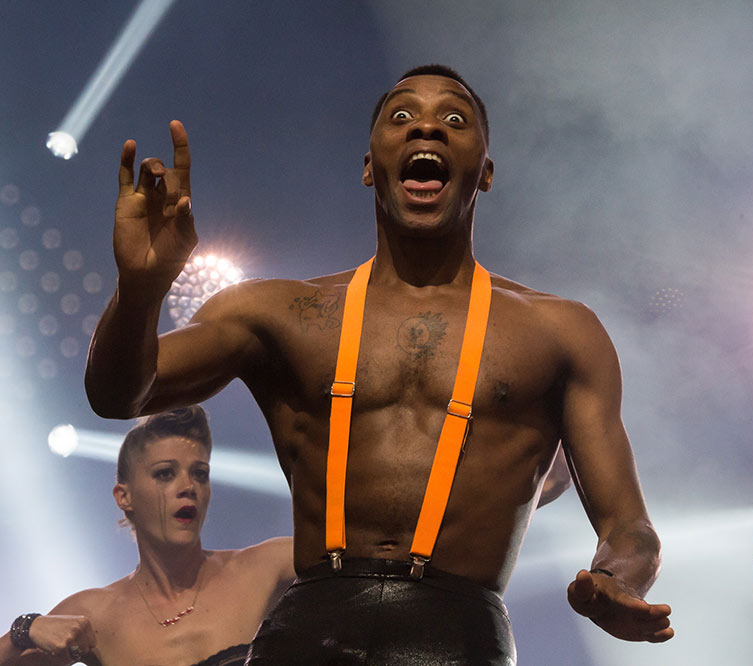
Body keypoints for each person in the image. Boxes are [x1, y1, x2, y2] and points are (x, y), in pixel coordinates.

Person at [84, 64, 671, 663]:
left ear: (486, 173)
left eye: (454, 119)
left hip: (458, 640)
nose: (427, 128)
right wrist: (139, 291)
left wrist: (617, 580)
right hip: (307, 633)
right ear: (370, 167)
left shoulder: (560, 333)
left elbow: (629, 526)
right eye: (402, 115)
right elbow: (119, 395)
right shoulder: (278, 313)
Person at [0, 406, 296, 666]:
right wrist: (23, 631)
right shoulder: (95, 615)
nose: (188, 487)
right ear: (124, 496)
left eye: (200, 474)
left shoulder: (264, 569)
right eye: (165, 473)